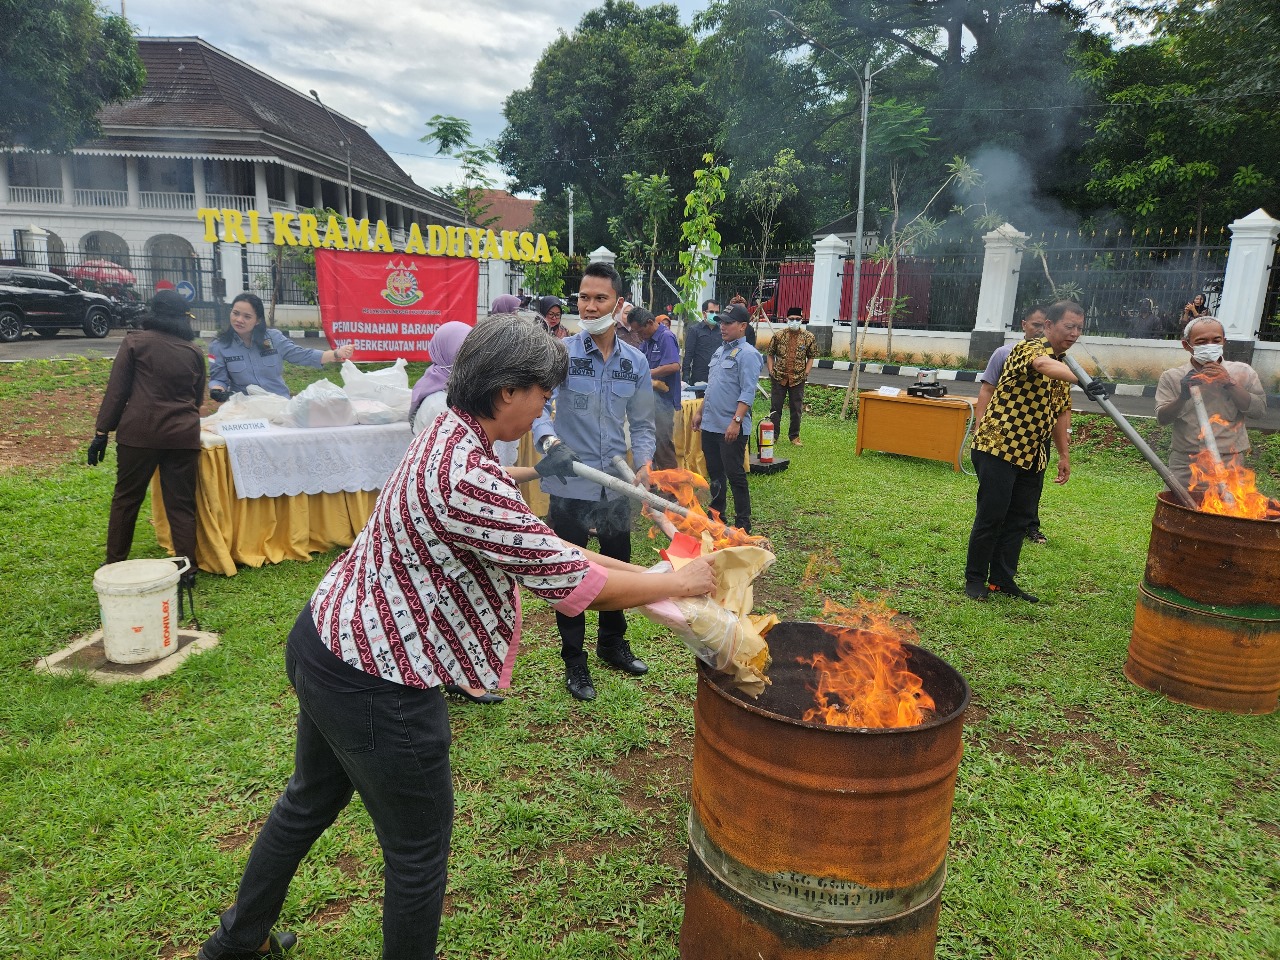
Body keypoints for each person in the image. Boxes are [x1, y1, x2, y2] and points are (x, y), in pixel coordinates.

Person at [195, 314, 714, 960]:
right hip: (378, 678)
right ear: (506, 394)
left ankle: (233, 944)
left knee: (306, 803)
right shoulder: (464, 474)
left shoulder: (449, 429)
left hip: (326, 642)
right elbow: (568, 580)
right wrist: (683, 582)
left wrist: (662, 576)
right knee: (417, 856)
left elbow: (544, 546)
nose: (542, 409)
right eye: (541, 396)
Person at [531, 261, 657, 702]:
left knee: (617, 568)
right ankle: (575, 661)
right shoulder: (561, 355)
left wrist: (643, 463)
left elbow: (641, 423)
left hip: (616, 486)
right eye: (583, 297)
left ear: (618, 305)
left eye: (599, 298)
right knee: (570, 575)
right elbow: (538, 408)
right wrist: (547, 441)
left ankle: (611, 644)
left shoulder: (635, 362)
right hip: (570, 484)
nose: (588, 306)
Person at [964, 300, 1108, 603]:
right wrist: (1085, 380)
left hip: (1033, 453)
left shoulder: (1064, 363)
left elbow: (1058, 413)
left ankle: (1002, 580)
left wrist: (1064, 455)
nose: (1075, 333)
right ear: (1049, 325)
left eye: (1080, 328)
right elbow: (1042, 365)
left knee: (1020, 518)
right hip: (999, 446)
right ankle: (975, 579)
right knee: (992, 515)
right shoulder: (1029, 349)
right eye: (1069, 326)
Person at [88, 290, 206, 578]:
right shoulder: (193, 352)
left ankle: (115, 564)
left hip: (139, 435)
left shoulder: (134, 342)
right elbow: (197, 400)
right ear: (182, 319)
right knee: (181, 504)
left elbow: (117, 393)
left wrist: (102, 432)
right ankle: (186, 570)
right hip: (182, 437)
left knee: (127, 498)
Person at [1154, 316, 1266, 491]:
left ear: (1224, 342)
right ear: (1187, 345)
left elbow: (1258, 411)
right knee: (1179, 514)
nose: (1210, 345)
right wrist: (1183, 396)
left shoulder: (1243, 372)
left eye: (1216, 340)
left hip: (1230, 463)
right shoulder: (1173, 377)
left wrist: (1229, 382)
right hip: (1186, 465)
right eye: (1201, 341)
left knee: (1229, 515)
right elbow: (1162, 418)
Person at [975, 304, 1052, 543]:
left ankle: (1030, 526)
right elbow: (987, 389)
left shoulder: (1056, 359)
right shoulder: (1004, 353)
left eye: (1045, 326)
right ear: (1024, 325)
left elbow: (1060, 403)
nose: (1040, 330)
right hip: (1004, 433)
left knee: (1031, 485)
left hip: (1037, 435)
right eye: (1036, 325)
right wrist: (980, 426)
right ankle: (991, 526)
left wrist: (1065, 432)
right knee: (999, 486)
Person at [693, 304, 764, 533]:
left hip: (730, 426)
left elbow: (748, 391)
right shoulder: (720, 350)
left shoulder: (749, 355)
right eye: (721, 322)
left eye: (728, 323)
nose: (722, 326)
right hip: (711, 423)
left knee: (735, 474)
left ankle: (743, 522)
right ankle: (716, 514)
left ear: (742, 326)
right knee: (715, 472)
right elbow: (713, 386)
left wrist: (736, 421)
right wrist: (700, 411)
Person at [207, 293, 353, 400]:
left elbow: (301, 355)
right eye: (235, 313)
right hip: (245, 409)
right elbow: (218, 379)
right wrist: (217, 390)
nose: (239, 320)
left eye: (247, 316)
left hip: (279, 404)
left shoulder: (273, 338)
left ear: (257, 320)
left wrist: (335, 354)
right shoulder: (219, 346)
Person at [633, 307, 682, 470]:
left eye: (640, 331)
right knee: (649, 446)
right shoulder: (646, 341)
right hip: (648, 401)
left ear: (649, 323)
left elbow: (674, 365)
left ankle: (673, 492)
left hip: (663, 403)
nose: (639, 336)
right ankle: (653, 488)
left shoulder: (665, 337)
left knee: (662, 446)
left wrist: (647, 373)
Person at [765, 307, 818, 446]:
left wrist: (806, 372)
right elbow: (770, 354)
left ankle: (794, 436)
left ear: (802, 320)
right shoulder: (778, 336)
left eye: (797, 319)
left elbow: (811, 356)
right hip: (779, 377)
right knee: (775, 408)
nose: (794, 321)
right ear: (786, 319)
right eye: (791, 319)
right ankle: (773, 435)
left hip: (798, 379)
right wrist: (771, 370)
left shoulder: (808, 337)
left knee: (796, 409)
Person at [682, 298, 721, 386]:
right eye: (711, 312)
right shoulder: (695, 330)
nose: (714, 314)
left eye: (717, 312)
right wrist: (686, 375)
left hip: (718, 378)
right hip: (699, 378)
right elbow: (688, 354)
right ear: (704, 313)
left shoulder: (723, 331)